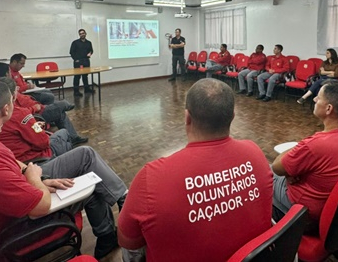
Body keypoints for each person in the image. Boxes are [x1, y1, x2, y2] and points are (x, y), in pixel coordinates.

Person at [0, 80, 128, 261]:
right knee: (90, 182)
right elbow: (40, 207)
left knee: (91, 179)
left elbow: (8, 160)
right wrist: (34, 177)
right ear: (5, 109)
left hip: (7, 212)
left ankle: (108, 236)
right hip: (16, 231)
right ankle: (110, 233)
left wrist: (35, 178)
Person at [117, 79, 273, 262]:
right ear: (232, 116)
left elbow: (127, 241)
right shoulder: (255, 152)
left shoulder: (151, 178)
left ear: (187, 117)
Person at [272, 80, 338, 229]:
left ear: (329, 108)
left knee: (266, 172)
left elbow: (278, 167)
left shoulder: (316, 145)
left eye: (318, 97)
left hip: (306, 212)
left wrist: (300, 148)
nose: (315, 99)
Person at [0, 63, 88, 145]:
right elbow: (21, 115)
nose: (11, 74)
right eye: (9, 72)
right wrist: (34, 108)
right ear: (6, 73)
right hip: (36, 114)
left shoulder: (4, 88)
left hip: (36, 108)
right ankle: (65, 106)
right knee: (60, 106)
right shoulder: (6, 94)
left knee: (59, 111)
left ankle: (73, 137)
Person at [0, 77, 73, 161]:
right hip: (33, 159)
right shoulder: (21, 114)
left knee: (60, 118)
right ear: (14, 95)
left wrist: (33, 125)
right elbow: (43, 142)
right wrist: (35, 126)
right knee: (65, 135)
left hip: (12, 159)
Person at [70, 28, 94, 97]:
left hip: (86, 61)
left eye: (83, 33)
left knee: (85, 76)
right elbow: (71, 52)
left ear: (85, 34)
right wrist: (75, 59)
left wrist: (90, 53)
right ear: (79, 35)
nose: (82, 35)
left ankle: (87, 89)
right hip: (78, 62)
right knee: (77, 77)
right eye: (80, 34)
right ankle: (76, 91)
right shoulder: (75, 42)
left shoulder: (89, 42)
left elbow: (91, 50)